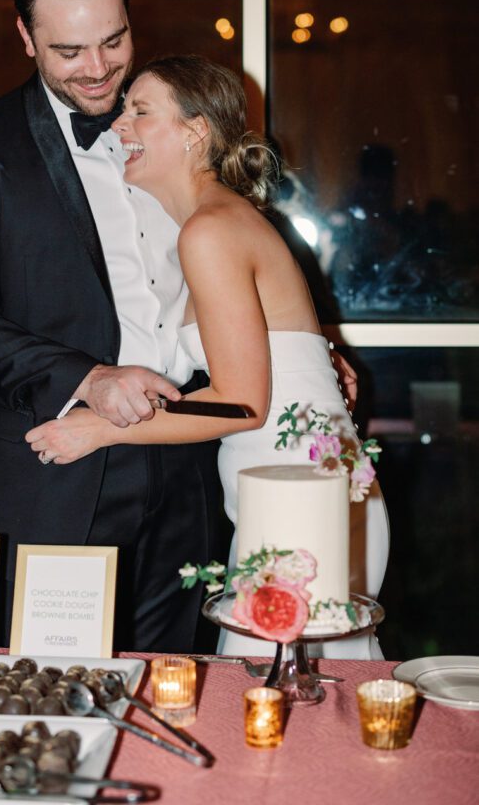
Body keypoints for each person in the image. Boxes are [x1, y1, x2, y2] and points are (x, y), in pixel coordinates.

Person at [26, 54, 390, 659]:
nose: (120, 126)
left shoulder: (210, 231)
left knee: (285, 692)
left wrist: (100, 429)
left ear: (196, 132)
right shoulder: (213, 222)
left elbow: (243, 404)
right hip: (294, 487)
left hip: (301, 497)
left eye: (141, 112)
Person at [0, 0, 223, 651]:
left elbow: (234, 253)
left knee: (181, 676)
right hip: (58, 464)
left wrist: (301, 344)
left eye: (113, 41)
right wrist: (86, 377)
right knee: (54, 687)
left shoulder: (180, 129)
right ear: (25, 37)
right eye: (69, 52)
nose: (97, 70)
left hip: (189, 452)